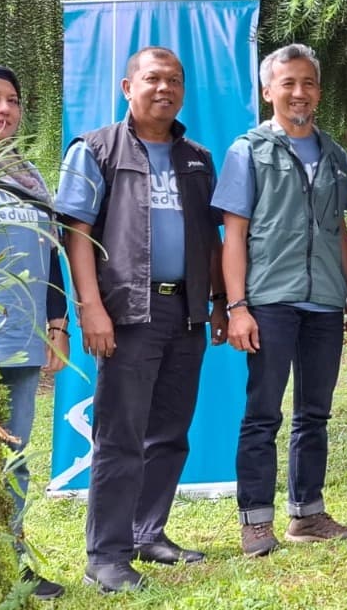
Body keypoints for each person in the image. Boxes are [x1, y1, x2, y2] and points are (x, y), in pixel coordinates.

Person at [56, 46, 227, 593]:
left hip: (187, 311)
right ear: (128, 88)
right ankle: (106, 556)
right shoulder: (96, 150)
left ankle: (147, 532)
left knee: (171, 434)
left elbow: (212, 238)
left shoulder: (197, 157)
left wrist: (220, 302)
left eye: (174, 80)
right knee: (120, 437)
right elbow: (76, 233)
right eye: (152, 79)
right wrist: (91, 307)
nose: (165, 88)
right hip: (128, 311)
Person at [212, 44, 347, 557]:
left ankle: (308, 514)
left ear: (318, 91)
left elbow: (340, 228)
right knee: (262, 414)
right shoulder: (248, 150)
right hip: (269, 301)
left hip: (324, 300)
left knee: (315, 413)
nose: (299, 93)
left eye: (309, 83)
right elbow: (234, 234)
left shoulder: (335, 153)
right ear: (267, 90)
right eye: (288, 83)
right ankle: (256, 521)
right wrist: (237, 306)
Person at [0, 63, 68, 599]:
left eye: (13, 99)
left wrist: (56, 321)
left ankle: (11, 561)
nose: (3, 108)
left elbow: (50, 256)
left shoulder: (28, 175)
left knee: (13, 457)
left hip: (21, 339)